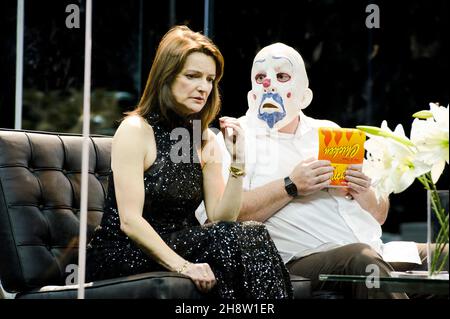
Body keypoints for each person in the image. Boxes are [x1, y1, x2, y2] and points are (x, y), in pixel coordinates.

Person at [196, 42, 448, 299]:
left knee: (444, 255)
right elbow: (220, 221)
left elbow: (380, 213)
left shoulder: (330, 131)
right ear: (251, 94)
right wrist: (290, 185)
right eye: (260, 77)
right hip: (301, 260)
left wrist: (365, 193)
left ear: (305, 96)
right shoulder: (235, 137)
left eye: (282, 76)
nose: (269, 84)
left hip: (376, 249)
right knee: (363, 260)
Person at [86, 26, 293, 299]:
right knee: (228, 241)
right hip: (123, 251)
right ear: (166, 77)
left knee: (252, 231)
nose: (203, 87)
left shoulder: (200, 136)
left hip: (181, 241)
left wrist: (238, 160)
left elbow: (222, 216)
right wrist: (184, 266)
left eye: (209, 79)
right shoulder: (136, 130)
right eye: (193, 76)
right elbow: (130, 221)